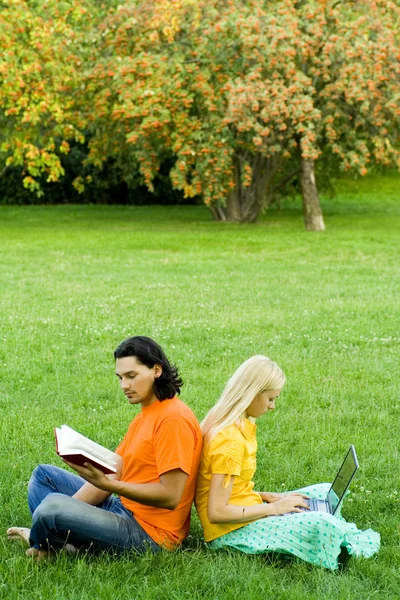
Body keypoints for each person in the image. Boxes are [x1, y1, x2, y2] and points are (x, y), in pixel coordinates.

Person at [7, 336, 202, 560]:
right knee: (44, 477)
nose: (124, 385)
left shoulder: (173, 420)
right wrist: (73, 507)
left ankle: (49, 544)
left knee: (50, 508)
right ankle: (58, 541)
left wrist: (109, 486)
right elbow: (113, 472)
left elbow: (171, 496)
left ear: (156, 370)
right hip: (122, 508)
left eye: (131, 376)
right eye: (120, 377)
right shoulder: (146, 414)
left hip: (149, 534)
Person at [195, 355, 380, 570]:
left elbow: (230, 489)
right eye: (271, 399)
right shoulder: (230, 442)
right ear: (252, 394)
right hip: (230, 531)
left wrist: (266, 497)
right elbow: (217, 512)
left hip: (244, 510)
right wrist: (273, 509)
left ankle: (318, 513)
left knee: (323, 492)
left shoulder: (236, 424)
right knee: (324, 523)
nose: (272, 406)